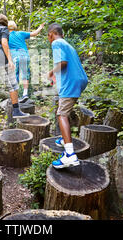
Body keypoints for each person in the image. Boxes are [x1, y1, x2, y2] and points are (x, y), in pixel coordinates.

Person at [47, 23, 88, 169]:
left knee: (61, 114)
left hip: (71, 82)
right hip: (80, 80)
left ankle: (70, 155)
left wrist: (52, 72)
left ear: (51, 34)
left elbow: (62, 63)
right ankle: (65, 140)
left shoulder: (57, 43)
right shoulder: (67, 44)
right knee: (64, 110)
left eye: (48, 37)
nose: (49, 40)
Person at [8, 21, 45, 103]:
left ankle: (15, 97)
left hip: (15, 57)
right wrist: (40, 27)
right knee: (25, 75)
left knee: (15, 76)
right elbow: (34, 33)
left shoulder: (6, 36)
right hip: (25, 56)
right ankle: (25, 94)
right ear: (15, 26)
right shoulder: (20, 33)